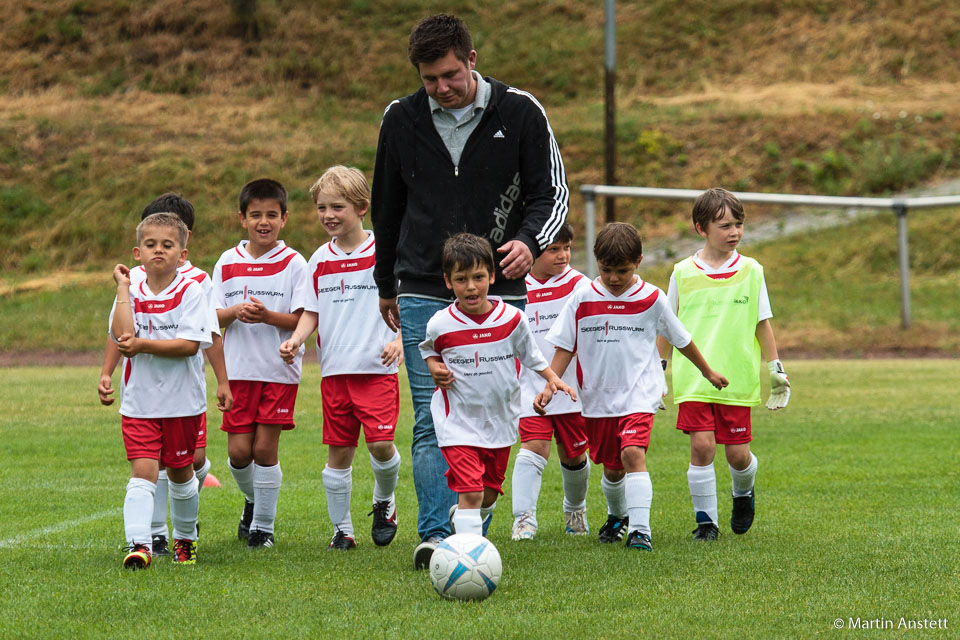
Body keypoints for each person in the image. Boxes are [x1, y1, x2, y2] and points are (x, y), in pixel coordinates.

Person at [371, 13, 569, 569]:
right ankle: (438, 536)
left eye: (450, 75)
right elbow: (386, 208)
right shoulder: (401, 118)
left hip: (501, 288)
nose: (440, 88)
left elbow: (551, 192)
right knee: (433, 411)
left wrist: (530, 243)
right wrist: (386, 282)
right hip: (420, 287)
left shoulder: (520, 110)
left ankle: (472, 530)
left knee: (489, 410)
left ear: (472, 60)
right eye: (429, 79)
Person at [535, 223, 728, 552]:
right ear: (596, 261)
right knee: (612, 468)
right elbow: (566, 346)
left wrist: (707, 371)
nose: (613, 278)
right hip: (598, 399)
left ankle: (641, 530)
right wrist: (550, 384)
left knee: (632, 454)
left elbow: (681, 340)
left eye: (622, 271)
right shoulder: (581, 297)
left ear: (638, 261)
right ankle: (617, 515)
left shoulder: (652, 298)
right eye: (606, 270)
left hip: (640, 394)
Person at [97, 193, 231, 557]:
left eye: (168, 243)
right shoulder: (131, 284)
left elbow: (196, 343)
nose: (158, 250)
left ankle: (185, 538)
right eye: (150, 243)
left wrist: (223, 380)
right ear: (137, 250)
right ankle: (141, 543)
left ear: (183, 248)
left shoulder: (195, 284)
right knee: (143, 472)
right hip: (139, 400)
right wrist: (108, 371)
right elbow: (120, 335)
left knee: (181, 472)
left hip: (182, 399)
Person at [279, 166, 404, 551]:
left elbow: (406, 304)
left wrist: (399, 339)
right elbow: (311, 311)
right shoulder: (318, 259)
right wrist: (298, 339)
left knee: (381, 445)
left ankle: (385, 501)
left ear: (363, 207)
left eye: (338, 206)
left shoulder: (387, 250)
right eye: (321, 207)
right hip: (335, 372)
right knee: (339, 453)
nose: (328, 215)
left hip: (376, 369)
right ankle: (342, 530)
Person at [419, 233, 575, 538]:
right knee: (472, 491)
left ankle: (465, 518)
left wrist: (553, 379)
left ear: (492, 275)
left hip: (500, 422)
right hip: (458, 423)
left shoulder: (512, 319)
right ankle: (467, 555)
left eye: (478, 277)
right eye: (461, 279)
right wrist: (434, 368)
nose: (471, 286)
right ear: (448, 282)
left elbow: (532, 356)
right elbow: (430, 351)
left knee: (488, 495)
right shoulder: (440, 323)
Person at [657, 188, 790, 541]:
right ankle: (706, 523)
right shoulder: (682, 273)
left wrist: (775, 367)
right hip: (694, 378)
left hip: (736, 378)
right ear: (701, 228)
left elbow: (763, 322)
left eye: (738, 225)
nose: (734, 232)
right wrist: (659, 370)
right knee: (702, 447)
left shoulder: (752, 270)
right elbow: (667, 326)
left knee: (737, 455)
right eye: (724, 225)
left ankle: (743, 493)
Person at [212, 178, 310, 549]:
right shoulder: (227, 262)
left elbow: (304, 319)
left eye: (272, 215)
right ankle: (253, 501)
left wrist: (269, 317)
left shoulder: (294, 263)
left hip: (278, 372)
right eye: (256, 215)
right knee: (238, 454)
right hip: (237, 373)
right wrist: (234, 312)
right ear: (242, 218)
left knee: (265, 450)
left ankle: (263, 529)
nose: (263, 222)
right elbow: (210, 319)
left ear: (284, 218)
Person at [511, 222, 592, 540]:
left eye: (567, 247)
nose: (563, 255)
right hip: (530, 388)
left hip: (571, 389)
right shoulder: (516, 286)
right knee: (534, 447)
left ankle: (575, 509)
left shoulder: (581, 286)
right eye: (553, 249)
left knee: (573, 455)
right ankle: (524, 519)